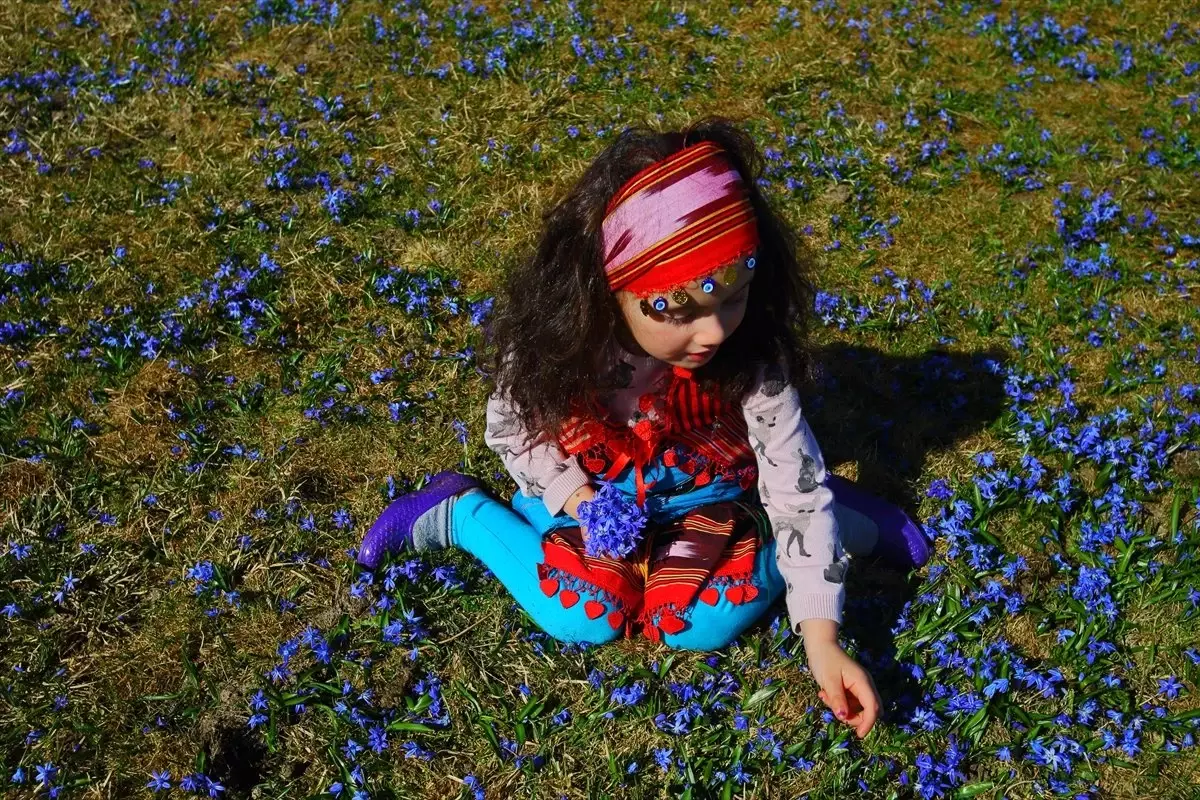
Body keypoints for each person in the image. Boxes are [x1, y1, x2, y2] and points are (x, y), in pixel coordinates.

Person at [357, 117, 931, 739]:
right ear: (610, 292)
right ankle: (461, 514)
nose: (712, 332)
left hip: (707, 496)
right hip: (590, 493)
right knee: (586, 614)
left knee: (696, 623)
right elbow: (514, 429)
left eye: (731, 298)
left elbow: (791, 481)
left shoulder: (751, 365)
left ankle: (836, 522)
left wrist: (821, 636)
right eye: (679, 310)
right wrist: (575, 498)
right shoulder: (560, 351)